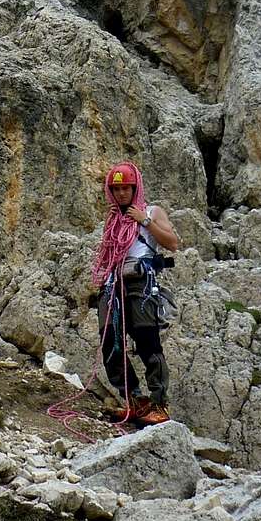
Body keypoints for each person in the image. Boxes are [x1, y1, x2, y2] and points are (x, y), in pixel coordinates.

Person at [93, 161, 179, 426]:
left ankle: (159, 403)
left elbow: (172, 243)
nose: (121, 194)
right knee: (110, 341)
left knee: (147, 341)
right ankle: (134, 399)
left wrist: (146, 221)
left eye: (126, 188)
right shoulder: (113, 220)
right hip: (113, 284)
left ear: (135, 188)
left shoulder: (151, 211)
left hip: (140, 284)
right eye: (116, 189)